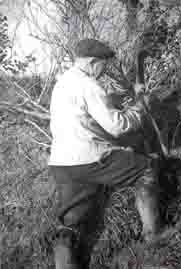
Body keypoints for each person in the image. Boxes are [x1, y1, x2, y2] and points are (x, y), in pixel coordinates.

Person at [48, 38, 161, 269]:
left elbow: (87, 115)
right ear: (91, 62)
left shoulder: (63, 83)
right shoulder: (89, 84)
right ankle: (153, 236)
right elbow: (116, 126)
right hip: (90, 158)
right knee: (147, 168)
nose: (104, 69)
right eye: (103, 65)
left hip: (62, 164)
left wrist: (120, 100)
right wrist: (139, 108)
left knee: (71, 222)